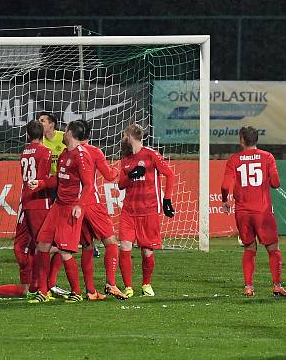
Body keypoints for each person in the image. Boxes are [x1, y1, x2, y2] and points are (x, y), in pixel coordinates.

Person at [0, 120, 54, 297]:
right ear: (42, 134)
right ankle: (42, 283)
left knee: (27, 244)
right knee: (45, 244)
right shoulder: (46, 152)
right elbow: (44, 178)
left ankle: (37, 282)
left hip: (25, 201)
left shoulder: (24, 152)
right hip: (39, 201)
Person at [27, 120, 93, 303]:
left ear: (70, 133)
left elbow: (88, 185)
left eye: (65, 130)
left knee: (65, 252)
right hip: (58, 206)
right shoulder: (65, 154)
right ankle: (43, 291)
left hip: (71, 208)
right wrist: (40, 183)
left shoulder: (81, 155)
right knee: (42, 245)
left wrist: (79, 206)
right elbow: (58, 180)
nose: (62, 133)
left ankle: (77, 292)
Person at [220, 126, 286, 297]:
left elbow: (225, 186)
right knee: (273, 247)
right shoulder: (267, 157)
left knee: (249, 248)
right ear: (256, 139)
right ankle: (277, 285)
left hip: (243, 212)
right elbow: (276, 183)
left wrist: (225, 200)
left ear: (241, 139)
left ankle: (249, 286)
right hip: (263, 211)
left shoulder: (234, 159)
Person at [117, 124, 176, 297]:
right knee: (125, 247)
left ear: (130, 136)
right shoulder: (126, 159)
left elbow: (170, 175)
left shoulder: (151, 154)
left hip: (149, 209)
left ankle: (146, 284)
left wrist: (167, 200)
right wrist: (131, 175)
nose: (122, 139)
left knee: (146, 251)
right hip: (129, 210)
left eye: (124, 135)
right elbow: (121, 184)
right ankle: (128, 287)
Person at [76, 119, 127, 300]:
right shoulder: (93, 151)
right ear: (89, 134)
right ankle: (111, 284)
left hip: (75, 204)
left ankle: (91, 291)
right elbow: (108, 175)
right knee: (111, 242)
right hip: (91, 203)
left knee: (87, 246)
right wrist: (116, 171)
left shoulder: (68, 152)